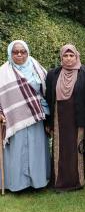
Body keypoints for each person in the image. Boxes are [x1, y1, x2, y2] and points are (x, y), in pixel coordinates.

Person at [45, 44, 85, 192]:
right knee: (60, 149)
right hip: (59, 118)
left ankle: (77, 181)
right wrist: (48, 122)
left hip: (79, 119)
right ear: (61, 58)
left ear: (76, 56)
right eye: (65, 56)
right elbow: (49, 98)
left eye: (71, 55)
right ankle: (59, 181)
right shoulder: (53, 74)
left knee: (77, 149)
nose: (68, 59)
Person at [0, 40, 50, 191]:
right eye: (16, 52)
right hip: (15, 119)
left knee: (37, 150)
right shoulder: (3, 73)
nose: (20, 54)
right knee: (17, 151)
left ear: (28, 52)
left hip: (36, 117)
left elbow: (47, 91)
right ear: (10, 53)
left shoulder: (38, 68)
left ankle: (38, 182)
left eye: (23, 51)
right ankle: (16, 184)